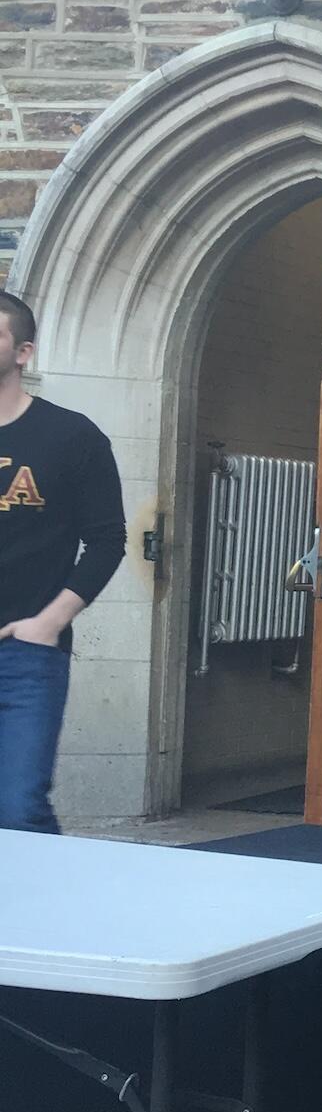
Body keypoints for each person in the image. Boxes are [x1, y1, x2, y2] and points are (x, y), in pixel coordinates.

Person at [0, 289, 126, 833]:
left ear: (23, 352)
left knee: (18, 809)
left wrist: (48, 624)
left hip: (24, 655)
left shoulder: (73, 437)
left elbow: (107, 541)